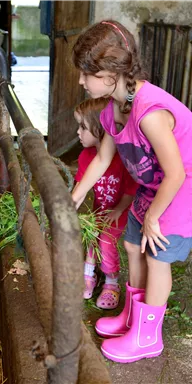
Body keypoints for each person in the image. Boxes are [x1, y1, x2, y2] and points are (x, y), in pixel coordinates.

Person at [71, 20, 192, 364]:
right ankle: (132, 316)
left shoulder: (149, 113)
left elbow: (177, 172)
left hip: (181, 187)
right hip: (155, 185)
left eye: (85, 73)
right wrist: (75, 196)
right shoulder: (112, 108)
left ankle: (147, 336)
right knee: (130, 242)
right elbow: (103, 158)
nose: (81, 81)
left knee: (157, 256)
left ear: (110, 73)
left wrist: (154, 216)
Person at [73, 98, 137, 310]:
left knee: (106, 241)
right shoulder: (86, 155)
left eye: (83, 127)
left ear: (100, 128)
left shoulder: (123, 158)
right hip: (100, 208)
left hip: (120, 210)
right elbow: (81, 188)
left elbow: (130, 191)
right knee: (91, 235)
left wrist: (119, 210)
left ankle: (111, 282)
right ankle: (88, 274)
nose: (78, 133)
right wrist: (68, 209)